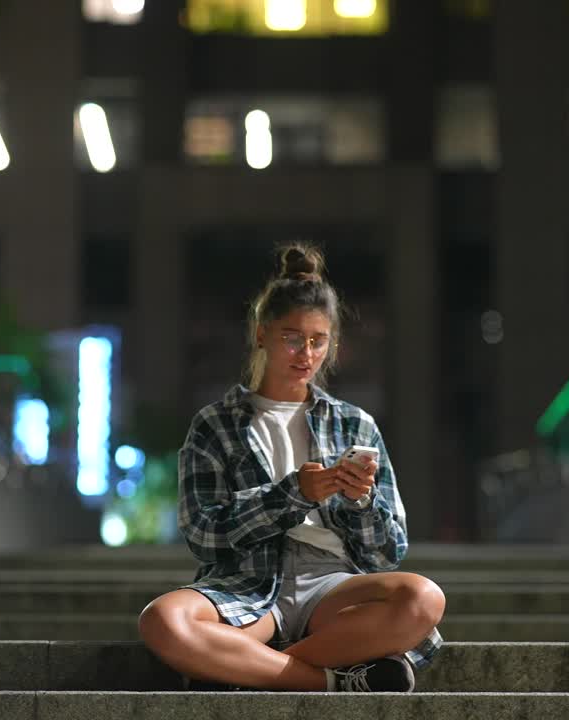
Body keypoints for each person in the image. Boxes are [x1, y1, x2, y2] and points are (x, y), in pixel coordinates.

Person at [138, 244, 445, 692]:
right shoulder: (216, 424)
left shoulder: (354, 423)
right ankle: (328, 681)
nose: (305, 352)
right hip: (246, 580)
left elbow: (386, 553)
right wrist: (293, 494)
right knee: (162, 620)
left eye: (318, 341)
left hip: (332, 584)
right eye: (292, 337)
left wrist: (359, 502)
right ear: (262, 334)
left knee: (422, 597)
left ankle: (248, 670)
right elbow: (203, 536)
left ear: (332, 345)